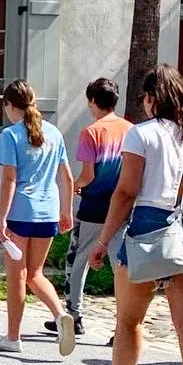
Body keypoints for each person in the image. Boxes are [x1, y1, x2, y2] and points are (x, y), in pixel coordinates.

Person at [91, 65, 183, 365]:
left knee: (129, 320)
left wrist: (103, 241)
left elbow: (125, 192)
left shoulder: (141, 134)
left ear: (150, 99)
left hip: (150, 224)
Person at [0, 80, 76, 356]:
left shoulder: (10, 135)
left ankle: (13, 336)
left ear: (9, 105)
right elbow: (67, 177)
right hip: (48, 212)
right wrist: (66, 210)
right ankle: (60, 313)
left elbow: (9, 178)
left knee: (17, 276)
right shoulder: (54, 133)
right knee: (35, 274)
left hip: (20, 213)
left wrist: (2, 218)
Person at [50, 76, 132, 339]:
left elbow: (89, 175)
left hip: (95, 205)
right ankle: (122, 326)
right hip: (123, 206)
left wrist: (73, 188)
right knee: (121, 266)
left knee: (79, 259)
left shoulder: (91, 132)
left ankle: (74, 314)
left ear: (93, 101)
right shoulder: (131, 130)